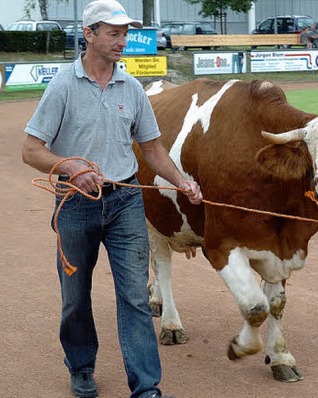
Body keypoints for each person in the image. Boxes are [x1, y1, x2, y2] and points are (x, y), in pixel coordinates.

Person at [21, 0, 203, 397]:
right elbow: (32, 150)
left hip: (124, 201)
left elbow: (153, 150)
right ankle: (81, 367)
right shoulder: (63, 86)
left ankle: (146, 387)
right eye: (114, 33)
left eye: (125, 33)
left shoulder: (131, 87)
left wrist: (181, 180)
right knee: (75, 295)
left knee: (135, 296)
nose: (123, 41)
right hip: (74, 205)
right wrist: (72, 168)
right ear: (89, 35)